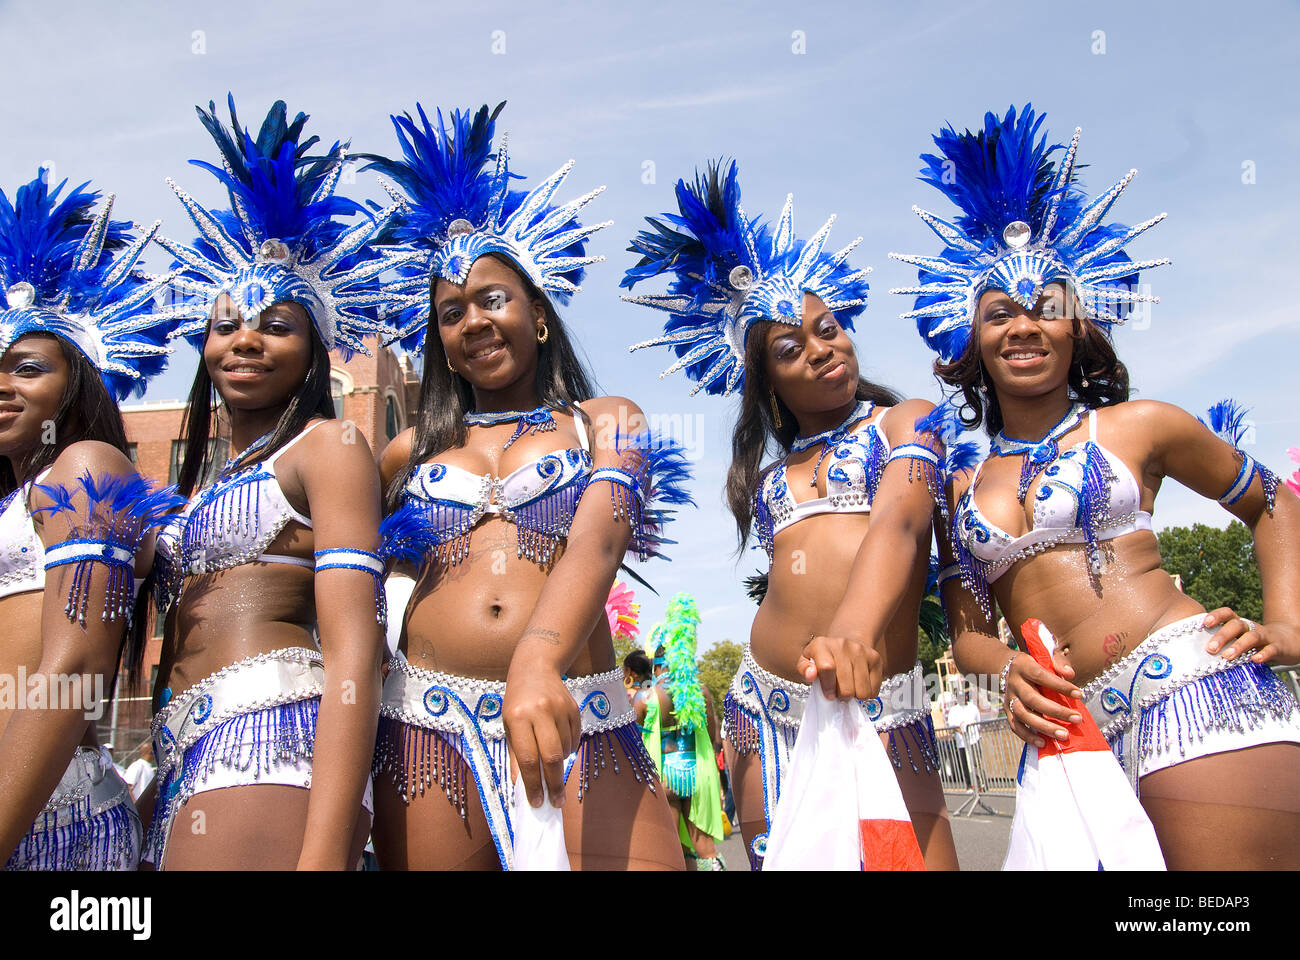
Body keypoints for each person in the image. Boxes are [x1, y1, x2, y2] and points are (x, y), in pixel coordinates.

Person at [894, 103, 1300, 868]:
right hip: (1067, 734)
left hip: (1192, 694)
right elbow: (969, 630)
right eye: (999, 314)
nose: (1023, 325)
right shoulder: (957, 482)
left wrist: (1289, 627)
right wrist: (1008, 669)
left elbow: (1275, 503)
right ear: (970, 339)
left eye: (1047, 308)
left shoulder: (1139, 425)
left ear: (1078, 324)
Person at [366, 103, 691, 870]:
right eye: (451, 312)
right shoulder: (405, 452)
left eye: (492, 300)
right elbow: (353, 582)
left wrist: (538, 657)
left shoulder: (605, 421)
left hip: (580, 707)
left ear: (538, 316)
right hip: (427, 730)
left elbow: (600, 536)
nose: (472, 321)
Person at [624, 161, 959, 870]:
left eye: (826, 328)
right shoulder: (772, 476)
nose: (819, 348)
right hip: (763, 711)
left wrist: (851, 634)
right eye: (789, 348)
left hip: (882, 705)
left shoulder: (907, 423)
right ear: (767, 381)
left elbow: (900, 524)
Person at [140, 96, 395, 870]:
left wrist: (325, 853)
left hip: (267, 738)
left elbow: (359, 650)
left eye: (276, 325)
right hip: (179, 749)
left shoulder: (331, 445)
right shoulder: (208, 486)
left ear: (316, 351)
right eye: (225, 326)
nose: (244, 339)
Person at [0, 171, 181, 869]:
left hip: (50, 817)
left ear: (77, 384)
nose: (2, 384)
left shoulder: (86, 466)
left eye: (27, 368)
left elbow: (75, 666)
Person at [635, 595, 726, 870]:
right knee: (705, 848)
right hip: (696, 772)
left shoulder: (647, 697)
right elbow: (713, 740)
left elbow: (635, 743)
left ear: (658, 665)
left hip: (665, 776)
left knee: (674, 847)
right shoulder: (700, 693)